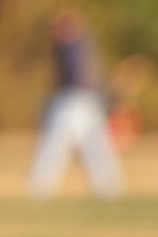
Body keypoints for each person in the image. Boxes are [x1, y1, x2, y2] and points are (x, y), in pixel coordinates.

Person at [26, 11, 124, 198]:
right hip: (88, 100)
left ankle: (39, 187)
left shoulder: (69, 46)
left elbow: (74, 78)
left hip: (73, 101)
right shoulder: (86, 45)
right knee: (95, 145)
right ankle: (108, 187)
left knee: (55, 145)